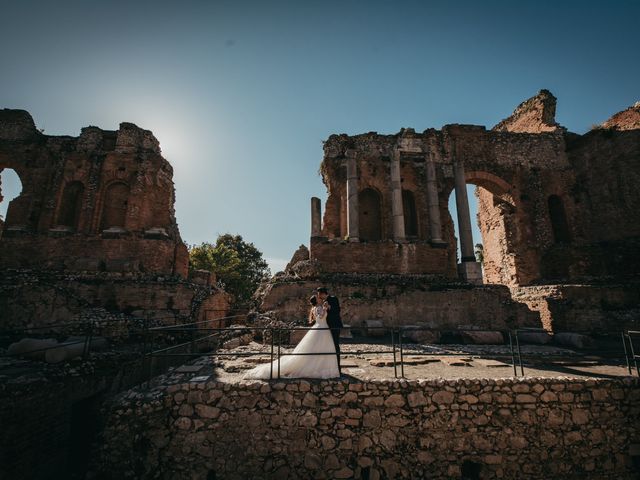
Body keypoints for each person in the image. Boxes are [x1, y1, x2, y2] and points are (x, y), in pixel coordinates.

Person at [243, 296, 340, 379]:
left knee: (320, 349)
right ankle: (318, 369)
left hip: (322, 329)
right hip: (321, 329)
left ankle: (320, 367)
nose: (320, 299)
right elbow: (320, 317)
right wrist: (325, 309)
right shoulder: (318, 308)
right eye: (318, 298)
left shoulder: (315, 308)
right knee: (319, 349)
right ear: (317, 301)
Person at [316, 286, 343, 374]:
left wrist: (329, 307)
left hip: (334, 326)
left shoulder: (333, 298)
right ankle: (330, 367)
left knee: (335, 346)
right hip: (327, 327)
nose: (318, 295)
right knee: (329, 347)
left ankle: (338, 368)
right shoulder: (323, 302)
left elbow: (337, 310)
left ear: (323, 293)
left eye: (319, 294)